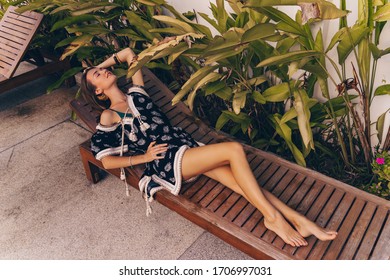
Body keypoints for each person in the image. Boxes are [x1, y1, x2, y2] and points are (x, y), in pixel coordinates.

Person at [80, 47, 337, 247]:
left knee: (242, 183)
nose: (102, 72)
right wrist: (144, 157)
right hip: (168, 162)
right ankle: (273, 219)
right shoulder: (110, 116)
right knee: (233, 150)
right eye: (97, 76)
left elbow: (126, 54)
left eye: (101, 69)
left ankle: (299, 220)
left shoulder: (138, 92)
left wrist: (96, 70)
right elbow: (106, 161)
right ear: (99, 92)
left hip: (186, 147)